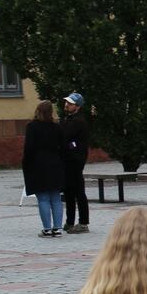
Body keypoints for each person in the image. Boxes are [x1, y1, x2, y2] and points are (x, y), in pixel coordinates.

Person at [23, 100, 67, 237]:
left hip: (38, 164)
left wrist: (26, 164)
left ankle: (47, 228)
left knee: (43, 199)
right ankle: (58, 228)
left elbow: (29, 148)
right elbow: (64, 146)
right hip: (55, 163)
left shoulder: (32, 126)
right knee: (56, 198)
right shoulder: (57, 127)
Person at [61, 92, 91, 234]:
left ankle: (83, 222)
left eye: (70, 103)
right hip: (68, 159)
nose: (67, 105)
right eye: (66, 102)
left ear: (77, 106)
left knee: (78, 191)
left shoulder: (78, 121)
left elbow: (64, 137)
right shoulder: (69, 119)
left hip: (75, 160)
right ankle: (70, 221)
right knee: (68, 192)